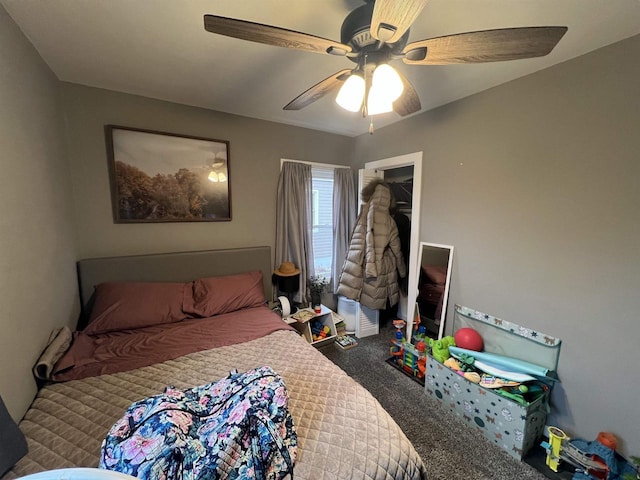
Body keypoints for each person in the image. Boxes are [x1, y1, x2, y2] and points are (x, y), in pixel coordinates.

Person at [337, 179, 406, 310]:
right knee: (378, 296)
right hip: (383, 266)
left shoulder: (363, 216)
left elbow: (355, 245)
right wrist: (402, 271)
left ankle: (371, 328)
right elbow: (397, 250)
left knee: (367, 295)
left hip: (363, 264)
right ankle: (379, 324)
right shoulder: (390, 221)